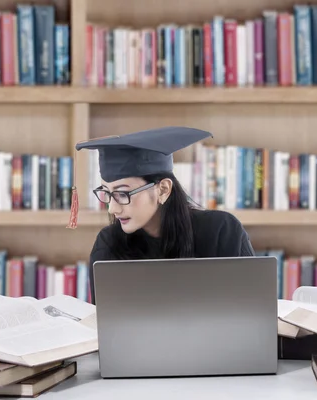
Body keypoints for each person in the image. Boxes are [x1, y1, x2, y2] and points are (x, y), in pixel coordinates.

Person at [66, 126, 256, 304]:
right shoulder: (108, 244)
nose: (112, 209)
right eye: (107, 193)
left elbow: (252, 310)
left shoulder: (222, 232)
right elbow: (107, 328)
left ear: (163, 190)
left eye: (122, 193)